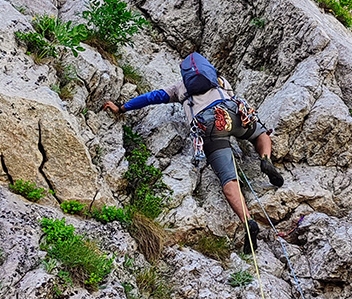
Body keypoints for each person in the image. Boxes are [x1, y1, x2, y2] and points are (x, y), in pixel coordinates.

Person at [103, 52, 284, 253]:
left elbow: (151, 97)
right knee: (261, 133)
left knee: (228, 180)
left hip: (210, 125)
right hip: (233, 113)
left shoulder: (180, 87)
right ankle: (266, 159)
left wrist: (122, 107)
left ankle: (247, 220)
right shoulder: (220, 80)